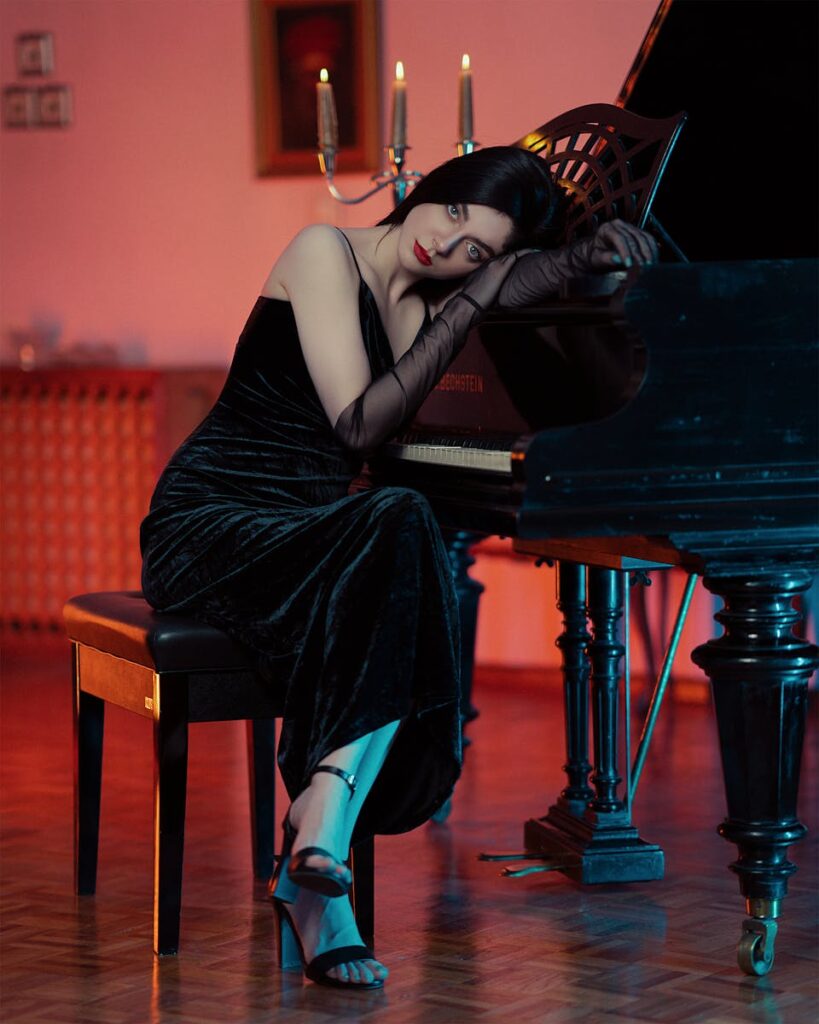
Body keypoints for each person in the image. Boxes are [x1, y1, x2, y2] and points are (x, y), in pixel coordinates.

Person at [140, 146, 657, 990]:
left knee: (400, 534)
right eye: (453, 216)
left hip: (305, 532)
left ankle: (318, 847)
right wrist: (476, 298)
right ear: (430, 192)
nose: (447, 248)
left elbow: (438, 371)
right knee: (401, 527)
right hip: (210, 522)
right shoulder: (321, 251)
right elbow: (356, 426)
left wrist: (573, 262)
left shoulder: (420, 310)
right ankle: (321, 845)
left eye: (476, 253)